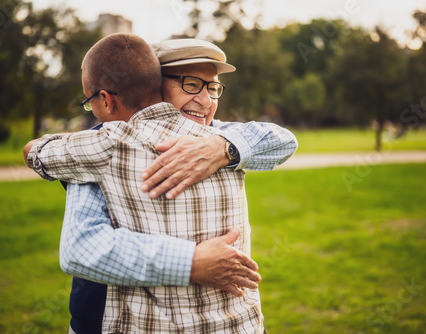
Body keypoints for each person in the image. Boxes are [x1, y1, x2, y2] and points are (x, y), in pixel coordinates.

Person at [25, 35, 297, 333]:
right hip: (97, 316)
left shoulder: (220, 135)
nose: (206, 101)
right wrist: (193, 262)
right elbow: (82, 249)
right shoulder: (104, 141)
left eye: (213, 88)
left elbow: (282, 139)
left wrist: (223, 148)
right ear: (155, 82)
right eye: (191, 84)